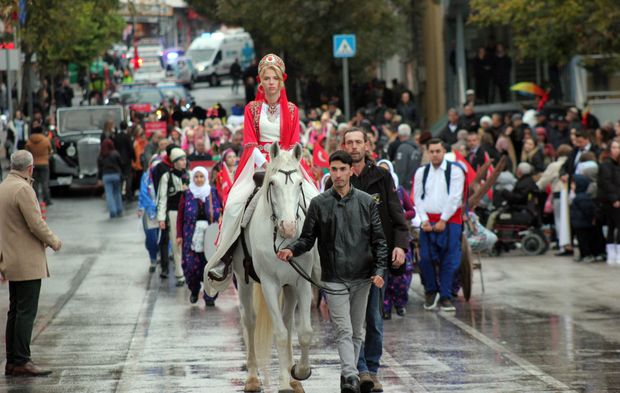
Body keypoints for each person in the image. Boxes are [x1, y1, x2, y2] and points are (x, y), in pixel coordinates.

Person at [277, 151, 387, 393]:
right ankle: (350, 376)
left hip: (363, 277)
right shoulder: (319, 204)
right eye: (333, 169)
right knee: (344, 329)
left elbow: (380, 240)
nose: (337, 174)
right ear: (330, 171)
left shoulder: (367, 202)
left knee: (358, 330)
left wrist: (379, 269)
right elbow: (307, 239)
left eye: (342, 169)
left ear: (351, 171)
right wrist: (291, 250)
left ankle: (347, 374)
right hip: (334, 278)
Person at [206, 54, 315, 285]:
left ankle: (322, 257)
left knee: (315, 198)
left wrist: (282, 163)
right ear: (261, 81)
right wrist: (266, 164)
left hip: (287, 163)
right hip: (259, 163)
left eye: (275, 77)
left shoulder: (293, 110)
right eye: (266, 78)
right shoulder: (252, 109)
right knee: (236, 203)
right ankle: (225, 257)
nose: (271, 82)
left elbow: (295, 142)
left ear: (281, 80)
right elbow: (249, 141)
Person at [341, 127, 409, 392]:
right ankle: (358, 370)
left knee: (374, 320)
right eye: (350, 142)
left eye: (359, 142)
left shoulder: (381, 177)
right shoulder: (336, 178)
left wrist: (400, 246)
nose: (355, 147)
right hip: (346, 263)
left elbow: (397, 216)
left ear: (367, 146)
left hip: (377, 261)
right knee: (351, 322)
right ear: (344, 145)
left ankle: (371, 368)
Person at [0, 150, 62, 376]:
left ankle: (12, 360)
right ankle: (22, 360)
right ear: (30, 168)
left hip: (10, 257)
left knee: (15, 311)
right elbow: (36, 223)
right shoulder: (23, 189)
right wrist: (54, 241)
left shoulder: (4, 186)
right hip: (26, 260)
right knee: (26, 312)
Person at [413, 138, 465, 311]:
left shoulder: (455, 171)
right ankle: (431, 290)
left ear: (444, 152)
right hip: (428, 221)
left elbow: (455, 198)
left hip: (450, 221)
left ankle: (445, 296)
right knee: (426, 258)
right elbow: (418, 197)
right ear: (427, 152)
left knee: (449, 260)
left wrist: (443, 220)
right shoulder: (421, 172)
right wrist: (424, 220)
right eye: (432, 151)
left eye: (438, 151)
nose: (435, 155)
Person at [177, 167, 221, 306]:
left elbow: (223, 210)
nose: (199, 179)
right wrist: (179, 235)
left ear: (206, 178)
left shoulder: (213, 192)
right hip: (191, 235)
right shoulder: (187, 194)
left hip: (210, 237)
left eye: (202, 176)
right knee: (190, 267)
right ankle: (194, 290)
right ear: (192, 178)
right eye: (196, 177)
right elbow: (180, 217)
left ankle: (210, 296)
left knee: (210, 267)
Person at [377, 159, 415, 320]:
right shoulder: (374, 193)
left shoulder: (398, 191)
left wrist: (398, 216)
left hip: (398, 238)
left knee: (400, 276)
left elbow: (411, 210)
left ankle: (400, 303)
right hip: (381, 238)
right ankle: (385, 308)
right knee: (381, 279)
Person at [157, 148, 189, 287]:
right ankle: (179, 273)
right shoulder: (166, 177)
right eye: (181, 160)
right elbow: (162, 198)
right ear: (175, 162)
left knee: (188, 243)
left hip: (187, 213)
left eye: (185, 159)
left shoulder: (189, 175)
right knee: (177, 243)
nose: (184, 162)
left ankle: (188, 271)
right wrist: (161, 218)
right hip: (173, 213)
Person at [537, 145, 573, 255]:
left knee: (559, 220)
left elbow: (543, 182)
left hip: (559, 195)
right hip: (571, 194)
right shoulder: (572, 164)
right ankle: (570, 242)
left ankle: (563, 244)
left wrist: (535, 187)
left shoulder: (554, 166)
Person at [598, 138, 620, 265]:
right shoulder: (606, 164)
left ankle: (615, 253)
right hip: (611, 201)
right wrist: (615, 199)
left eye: (618, 147)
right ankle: (612, 253)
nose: (616, 150)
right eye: (614, 147)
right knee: (612, 226)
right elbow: (606, 183)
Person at [138, 157, 161, 273]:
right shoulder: (146, 177)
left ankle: (163, 257)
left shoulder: (165, 176)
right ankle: (153, 258)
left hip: (162, 211)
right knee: (151, 238)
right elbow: (143, 193)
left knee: (163, 237)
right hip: (150, 213)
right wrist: (148, 207)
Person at [570, 175, 598, 263]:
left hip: (583, 223)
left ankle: (587, 254)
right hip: (579, 223)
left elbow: (588, 210)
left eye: (573, 184)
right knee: (581, 240)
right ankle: (583, 254)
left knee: (584, 240)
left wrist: (591, 219)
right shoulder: (580, 196)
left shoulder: (581, 197)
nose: (571, 186)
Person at [25, 125, 53, 206]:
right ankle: (47, 200)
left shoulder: (29, 141)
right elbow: (50, 150)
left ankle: (35, 200)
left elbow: (27, 152)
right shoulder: (46, 140)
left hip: (33, 164)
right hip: (44, 163)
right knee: (45, 182)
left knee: (35, 183)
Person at [98, 139, 124, 218]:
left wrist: (99, 179)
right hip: (116, 174)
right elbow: (121, 163)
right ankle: (119, 209)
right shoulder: (115, 153)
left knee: (109, 194)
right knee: (117, 193)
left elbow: (100, 168)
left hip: (106, 176)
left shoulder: (101, 155)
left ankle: (112, 211)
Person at [393, 124, 421, 191]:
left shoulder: (402, 148)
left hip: (405, 187)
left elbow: (401, 169)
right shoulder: (415, 148)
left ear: (399, 134)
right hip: (414, 185)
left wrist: (398, 186)